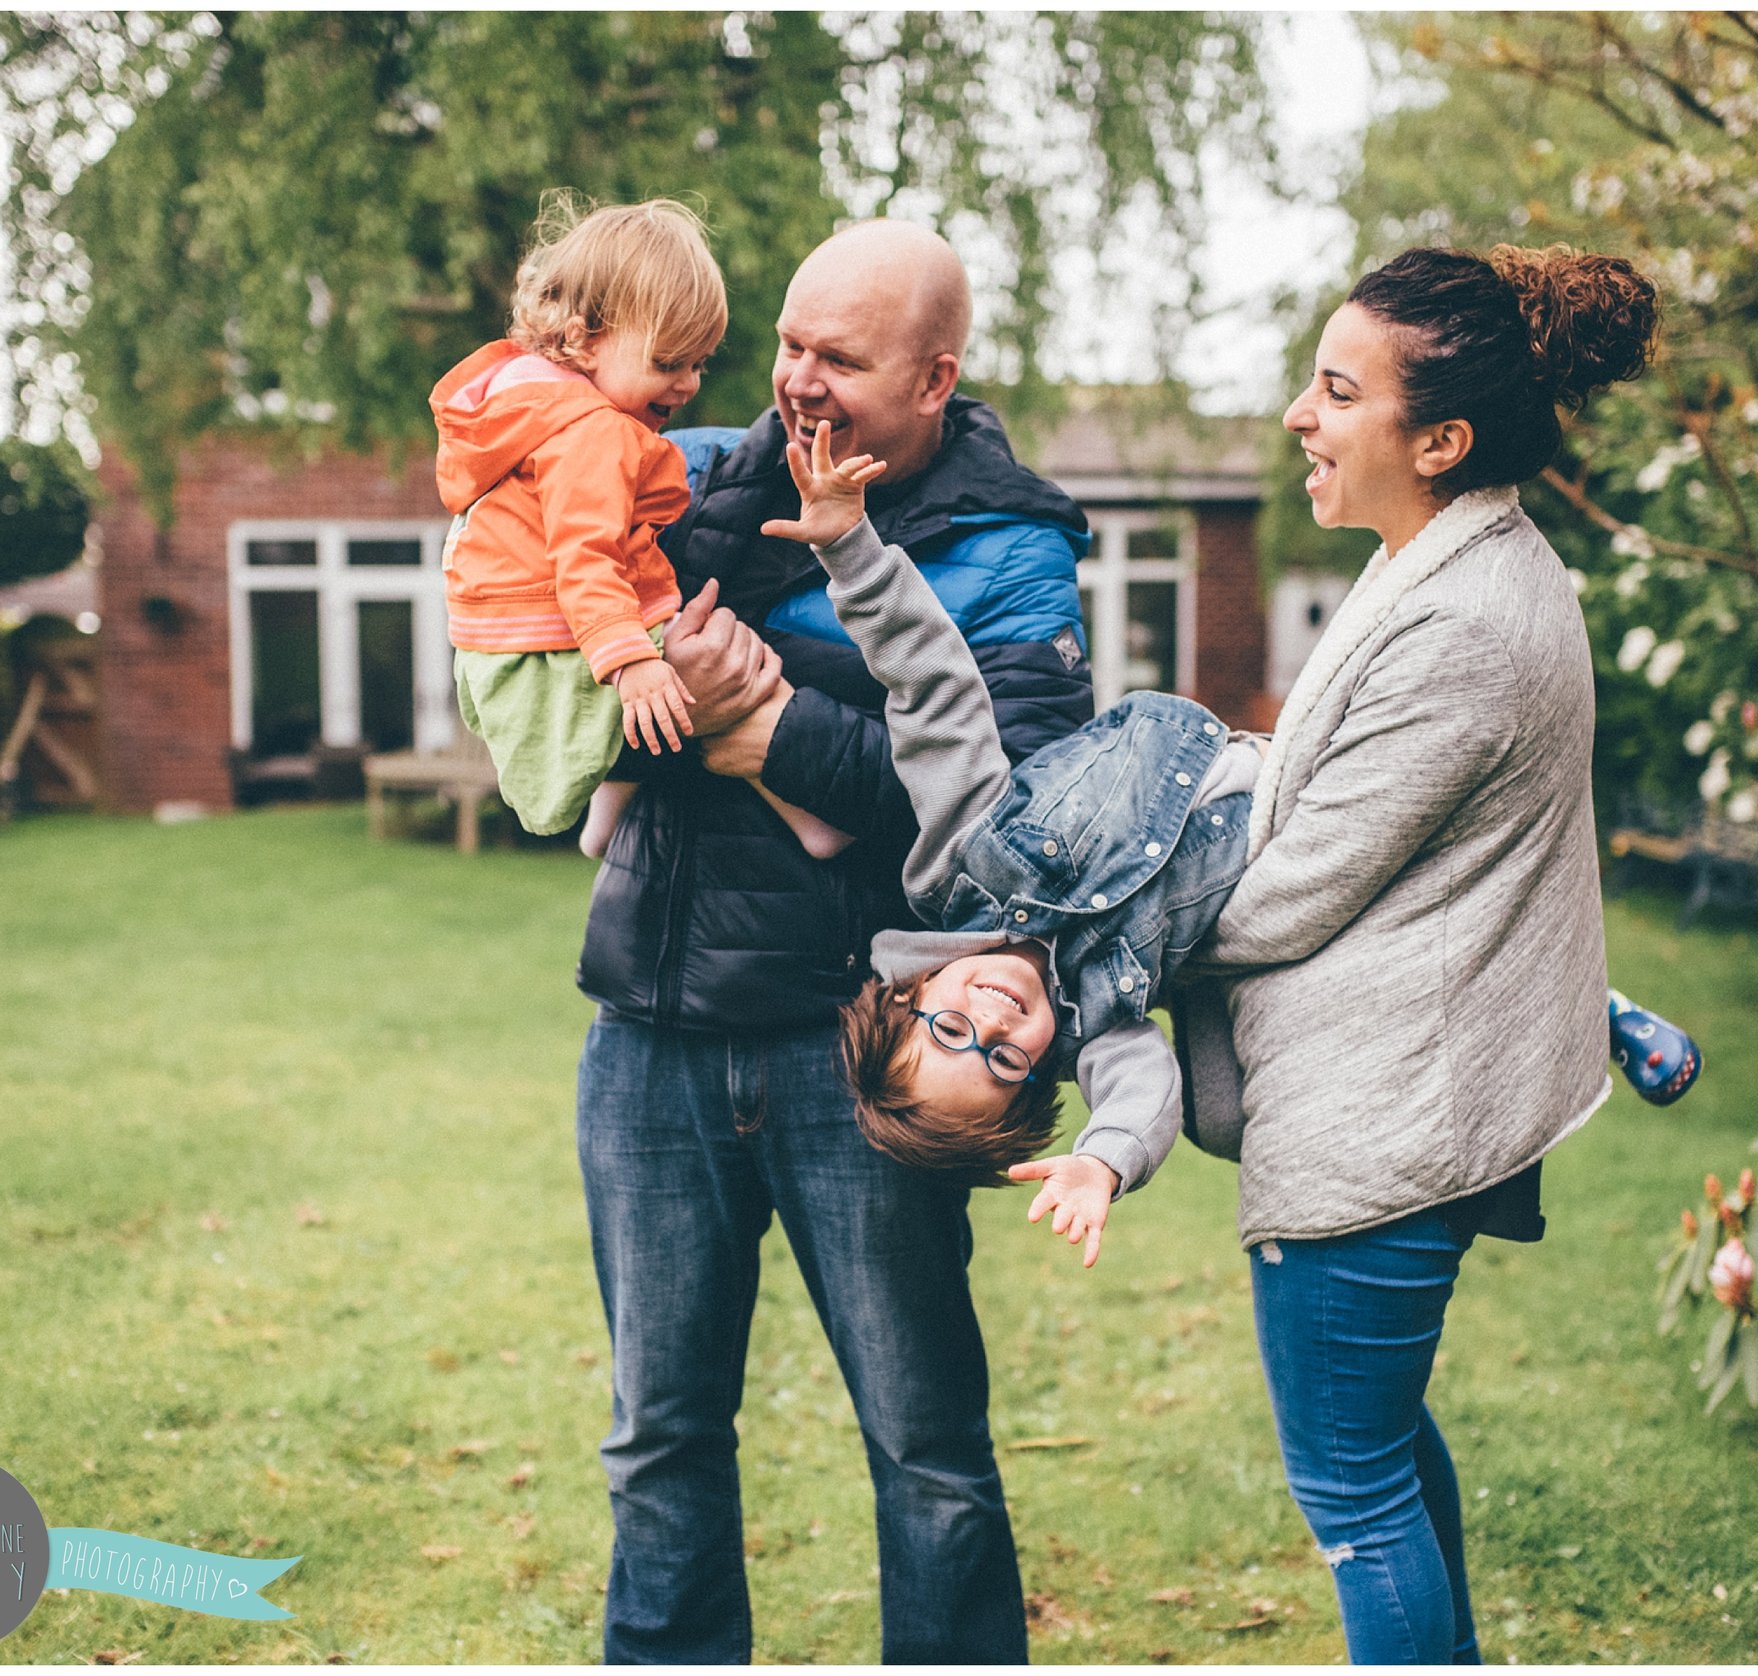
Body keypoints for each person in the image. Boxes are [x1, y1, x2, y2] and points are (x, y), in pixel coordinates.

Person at [754, 422, 1696, 1270]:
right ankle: (1586, 1004)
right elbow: (1140, 1091)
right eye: (1001, 1062)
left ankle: (1585, 1000)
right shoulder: (1101, 1020)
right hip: (1294, 832)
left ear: (912, 990)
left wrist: (850, 546)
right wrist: (1102, 1162)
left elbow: (936, 690)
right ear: (1038, 1072)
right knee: (1407, 921)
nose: (991, 1027)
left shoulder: (963, 858)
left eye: (950, 1032)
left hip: (1258, 762)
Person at [569, 219, 1094, 1664]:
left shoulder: (1010, 549)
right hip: (653, 1031)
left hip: (863, 1054)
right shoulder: (686, 475)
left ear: (935, 380)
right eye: (789, 344)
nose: (796, 383)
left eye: (841, 360)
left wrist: (767, 726)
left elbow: (1013, 821)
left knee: (925, 1445)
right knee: (658, 1439)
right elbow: (546, 661)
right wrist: (655, 682)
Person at [1189, 243, 1663, 1664]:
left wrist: (1111, 916)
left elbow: (1286, 896)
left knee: (1350, 1490)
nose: (1300, 417)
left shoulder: (1466, 622)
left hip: (1384, 1126)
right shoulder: (1444, 569)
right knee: (1379, 1460)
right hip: (1390, 1099)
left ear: (1440, 440)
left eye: (1339, 392)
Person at [428, 194, 841, 858]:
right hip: (561, 628)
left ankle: (607, 812)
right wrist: (629, 663)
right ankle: (810, 820)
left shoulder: (529, 403)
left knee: (691, 651)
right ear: (587, 336)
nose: (688, 385)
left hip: (514, 626)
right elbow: (583, 557)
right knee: (730, 660)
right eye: (668, 362)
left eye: (699, 363)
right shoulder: (591, 433)